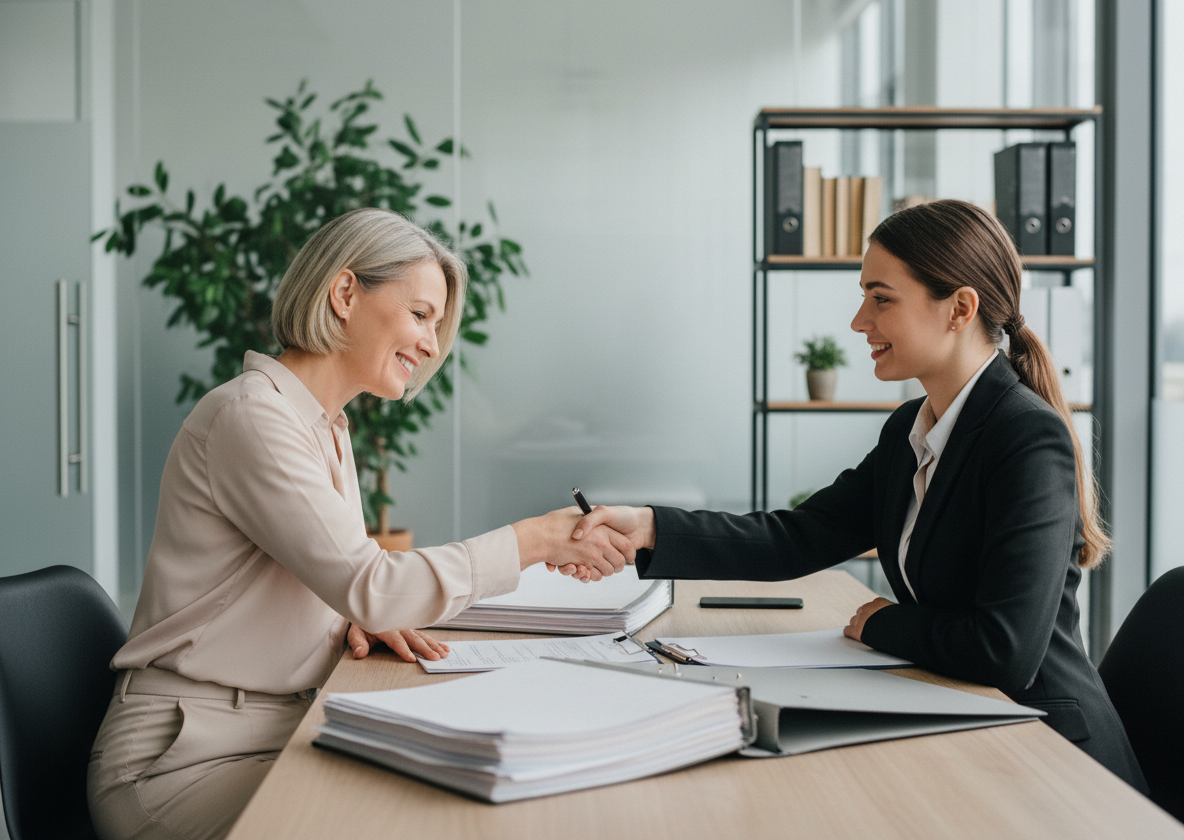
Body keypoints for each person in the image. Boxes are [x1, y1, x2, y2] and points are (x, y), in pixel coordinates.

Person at [87, 208, 633, 840]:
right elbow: (372, 583)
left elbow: (327, 578)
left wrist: (343, 616)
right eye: (420, 314)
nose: (432, 345)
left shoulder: (326, 427)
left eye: (436, 325)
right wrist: (536, 539)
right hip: (181, 761)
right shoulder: (251, 417)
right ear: (345, 293)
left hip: (273, 729)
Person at [569, 199, 1148, 792]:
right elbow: (797, 538)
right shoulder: (908, 432)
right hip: (968, 718)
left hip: (1051, 755)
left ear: (960, 308)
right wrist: (649, 527)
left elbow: (1005, 650)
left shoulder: (1025, 437)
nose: (858, 321)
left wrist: (884, 624)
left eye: (881, 298)